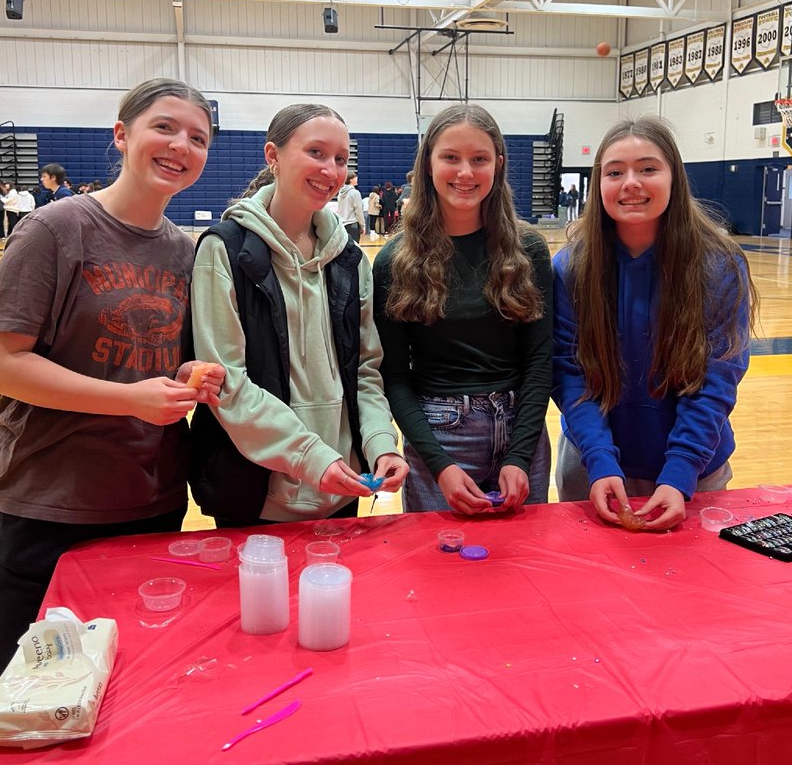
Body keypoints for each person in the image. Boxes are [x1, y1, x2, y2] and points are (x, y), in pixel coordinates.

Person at [0, 78, 224, 764]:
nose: (181, 146)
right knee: (28, 711)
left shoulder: (188, 251)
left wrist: (188, 380)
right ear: (122, 134)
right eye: (165, 128)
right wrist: (131, 398)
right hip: (47, 509)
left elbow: (158, 369)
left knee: (128, 709)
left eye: (198, 138)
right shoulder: (57, 229)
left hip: (148, 506)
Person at [188, 103, 409, 528]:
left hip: (344, 487)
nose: (331, 169)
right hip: (255, 496)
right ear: (273, 156)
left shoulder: (349, 258)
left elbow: (366, 370)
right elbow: (225, 381)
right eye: (316, 152)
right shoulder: (225, 250)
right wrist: (308, 456)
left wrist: (381, 443)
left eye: (341, 159)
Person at [552, 116, 756, 530]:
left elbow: (716, 379)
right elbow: (571, 376)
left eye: (648, 168)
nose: (631, 182)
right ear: (599, 183)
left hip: (696, 471)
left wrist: (681, 471)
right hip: (593, 469)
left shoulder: (718, 264)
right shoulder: (570, 268)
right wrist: (599, 460)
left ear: (674, 177)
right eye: (615, 172)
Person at [374, 103, 552, 515]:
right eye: (450, 158)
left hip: (521, 431)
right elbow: (395, 378)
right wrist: (440, 466)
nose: (466, 173)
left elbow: (540, 361)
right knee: (441, 569)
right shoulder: (394, 262)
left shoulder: (529, 250)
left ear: (499, 164)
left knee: (524, 565)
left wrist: (520, 455)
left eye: (480, 159)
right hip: (439, 437)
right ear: (428, 164)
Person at [337, 170, 364, 243]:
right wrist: (362, 225)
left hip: (342, 225)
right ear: (351, 179)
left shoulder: (340, 193)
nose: (357, 179)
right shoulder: (355, 193)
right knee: (353, 250)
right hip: (352, 224)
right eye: (355, 177)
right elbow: (358, 210)